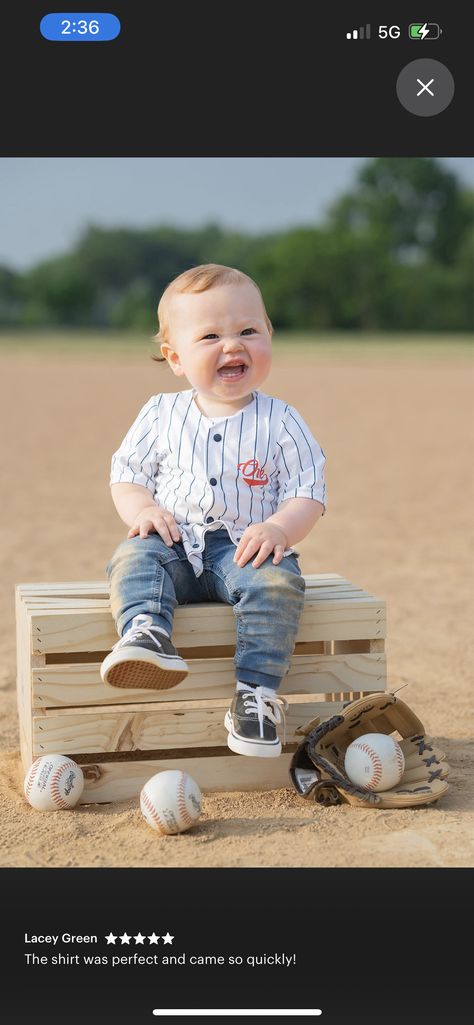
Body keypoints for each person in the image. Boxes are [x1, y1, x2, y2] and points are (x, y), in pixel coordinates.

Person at [100, 264, 326, 758]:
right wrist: (142, 509)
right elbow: (128, 473)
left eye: (248, 330)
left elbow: (308, 490)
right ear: (175, 357)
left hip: (243, 546)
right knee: (135, 556)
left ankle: (255, 695)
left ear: (269, 336)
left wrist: (279, 527)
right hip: (174, 538)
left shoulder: (281, 420)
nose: (232, 345)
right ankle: (147, 631)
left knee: (277, 581)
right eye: (210, 336)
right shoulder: (160, 412)